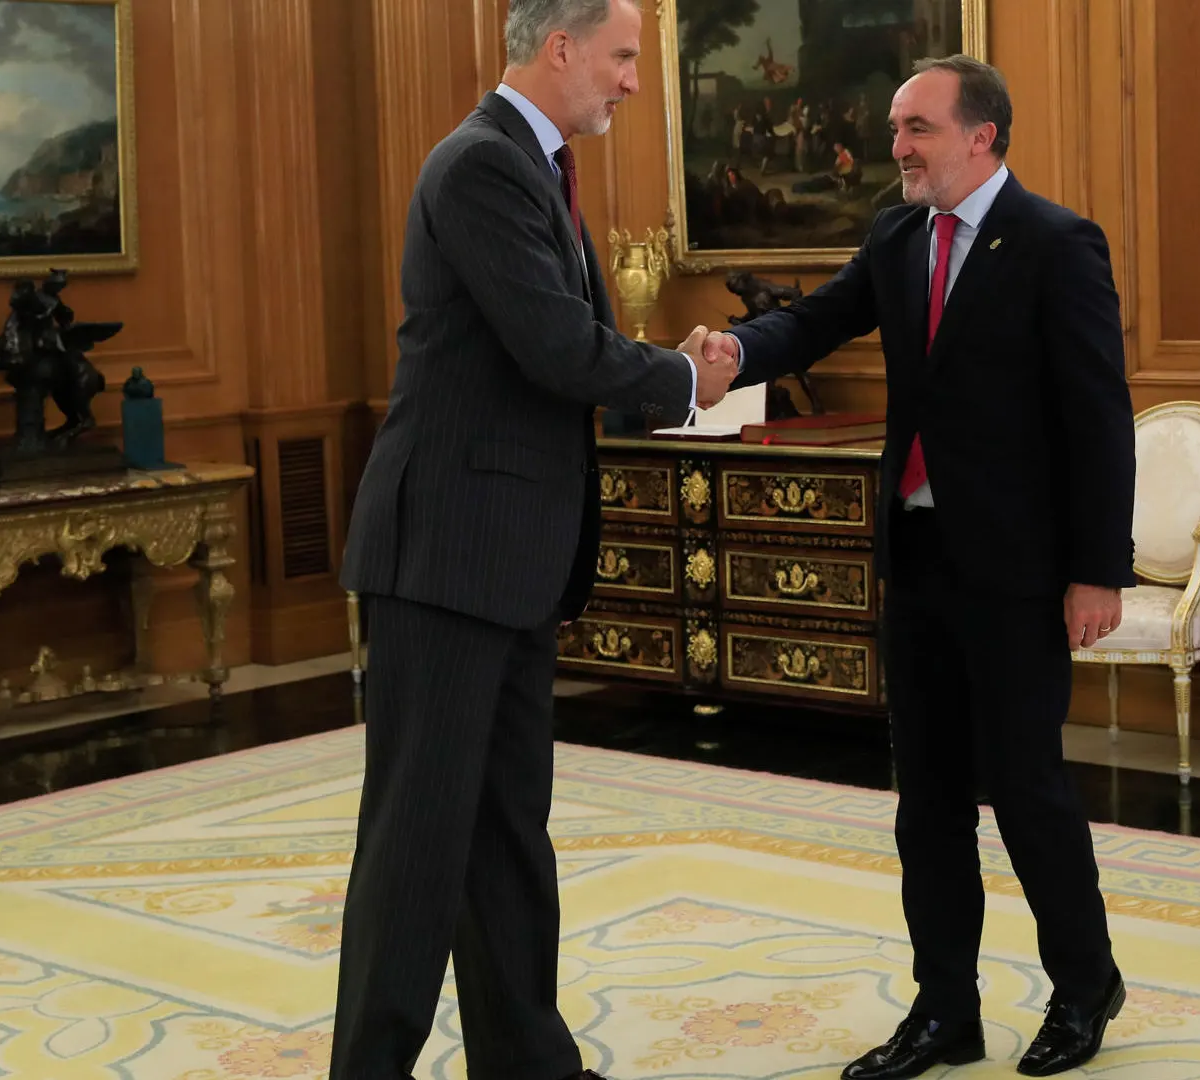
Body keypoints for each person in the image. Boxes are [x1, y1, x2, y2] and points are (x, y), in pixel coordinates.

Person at [702, 55, 1135, 1079]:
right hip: (921, 557)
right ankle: (947, 1011)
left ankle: (1085, 988)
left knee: (1027, 792)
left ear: (981, 136)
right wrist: (725, 352)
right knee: (926, 799)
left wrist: (1098, 569)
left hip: (1021, 569)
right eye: (896, 127)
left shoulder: (1057, 243)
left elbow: (1097, 414)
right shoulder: (896, 236)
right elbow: (812, 322)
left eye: (917, 128)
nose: (897, 146)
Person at [331, 0, 738, 1076]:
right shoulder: (481, 167)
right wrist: (679, 382)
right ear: (560, 49)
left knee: (507, 833)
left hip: (504, 563)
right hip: (447, 560)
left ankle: (527, 1066)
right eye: (623, 56)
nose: (634, 81)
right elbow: (560, 348)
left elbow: (570, 343)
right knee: (417, 848)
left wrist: (660, 370)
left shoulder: (530, 164)